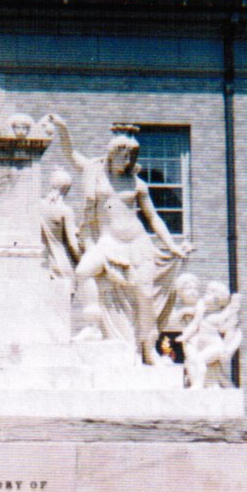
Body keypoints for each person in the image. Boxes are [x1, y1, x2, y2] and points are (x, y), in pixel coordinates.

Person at [48, 115, 191, 362]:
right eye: (122, 157)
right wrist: (63, 128)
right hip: (107, 242)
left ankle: (148, 348)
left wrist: (171, 246)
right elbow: (71, 154)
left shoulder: (138, 184)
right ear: (111, 154)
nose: (126, 162)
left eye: (130, 158)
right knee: (83, 272)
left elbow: (153, 218)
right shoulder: (94, 172)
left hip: (137, 243)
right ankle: (93, 325)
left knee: (145, 296)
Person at [40, 166, 81, 281]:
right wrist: (83, 261)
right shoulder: (65, 211)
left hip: (43, 263)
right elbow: (73, 245)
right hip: (61, 263)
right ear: (67, 188)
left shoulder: (37, 205)